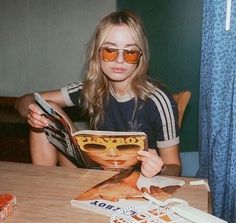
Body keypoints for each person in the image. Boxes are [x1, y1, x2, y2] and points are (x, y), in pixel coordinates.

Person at [15, 10, 181, 177]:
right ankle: (45, 187)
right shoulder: (91, 88)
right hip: (95, 173)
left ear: (140, 57)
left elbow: (175, 168)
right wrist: (33, 112)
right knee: (45, 109)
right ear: (97, 53)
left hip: (139, 182)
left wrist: (160, 168)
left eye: (130, 53)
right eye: (110, 50)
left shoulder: (158, 100)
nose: (120, 60)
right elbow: (24, 100)